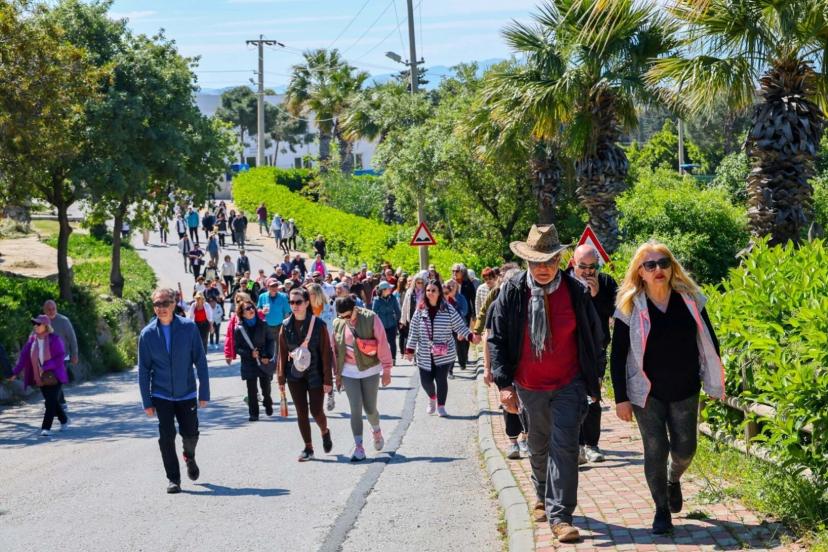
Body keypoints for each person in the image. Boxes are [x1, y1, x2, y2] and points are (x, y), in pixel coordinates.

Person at [487, 224, 604, 544]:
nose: (543, 268)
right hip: (529, 386)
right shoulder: (513, 292)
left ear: (560, 260)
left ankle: (561, 516)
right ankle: (541, 492)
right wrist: (504, 385)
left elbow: (594, 337)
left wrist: (595, 378)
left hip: (569, 383)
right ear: (527, 261)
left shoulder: (576, 292)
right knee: (538, 446)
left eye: (550, 261)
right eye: (536, 262)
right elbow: (497, 339)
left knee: (565, 446)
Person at [611, 240, 723, 535]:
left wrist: (713, 379)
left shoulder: (690, 300)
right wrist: (621, 398)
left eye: (663, 263)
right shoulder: (629, 306)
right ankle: (661, 510)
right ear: (640, 272)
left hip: (685, 387)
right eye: (650, 265)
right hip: (646, 391)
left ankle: (673, 479)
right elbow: (618, 355)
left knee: (686, 448)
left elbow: (710, 341)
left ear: (672, 267)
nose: (658, 269)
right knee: (655, 448)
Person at [138, 288, 210, 494]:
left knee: (191, 434)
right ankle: (173, 479)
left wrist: (204, 392)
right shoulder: (147, 334)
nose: (161, 308)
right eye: (157, 304)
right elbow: (143, 370)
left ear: (174, 304)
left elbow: (200, 361)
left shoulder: (189, 328)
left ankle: (189, 456)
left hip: (187, 392)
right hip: (161, 394)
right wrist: (147, 401)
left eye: (165, 303)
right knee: (166, 436)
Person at [566, 244, 618, 465]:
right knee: (572, 396)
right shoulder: (563, 283)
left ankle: (592, 445)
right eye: (583, 266)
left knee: (593, 396)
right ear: (572, 263)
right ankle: (576, 445)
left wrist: (596, 296)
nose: (588, 271)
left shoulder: (606, 283)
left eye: (592, 267)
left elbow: (617, 312)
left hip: (596, 349)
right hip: (569, 349)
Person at [405, 280, 478, 416]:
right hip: (424, 353)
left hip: (444, 353)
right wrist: (410, 349)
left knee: (441, 380)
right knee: (426, 381)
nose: (430, 293)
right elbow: (413, 331)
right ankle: (432, 397)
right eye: (428, 290)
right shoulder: (420, 310)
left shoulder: (448, 309)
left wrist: (470, 336)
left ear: (439, 292)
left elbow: (459, 325)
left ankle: (441, 406)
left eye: (433, 290)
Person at [476, 265, 527, 460]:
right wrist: (487, 368)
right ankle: (513, 441)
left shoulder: (528, 303)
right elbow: (489, 339)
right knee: (508, 400)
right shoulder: (495, 306)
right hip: (504, 363)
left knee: (526, 401)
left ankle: (526, 438)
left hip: (524, 364)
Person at [277, 288, 334, 462]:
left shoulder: (318, 325)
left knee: (316, 411)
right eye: (291, 302)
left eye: (298, 302)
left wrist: (328, 380)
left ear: (307, 303)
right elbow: (282, 353)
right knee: (301, 412)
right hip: (294, 375)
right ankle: (308, 448)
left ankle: (324, 431)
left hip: (315, 373)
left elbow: (326, 353)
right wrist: (281, 378)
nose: (294, 305)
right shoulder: (285, 325)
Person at [333, 296, 393, 461]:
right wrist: (337, 374)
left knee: (370, 408)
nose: (345, 319)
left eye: (348, 315)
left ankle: (376, 431)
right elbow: (335, 350)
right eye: (341, 316)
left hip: (369, 369)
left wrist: (387, 370)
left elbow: (382, 342)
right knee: (355, 409)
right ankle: (359, 447)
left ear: (355, 309)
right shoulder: (338, 323)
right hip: (348, 372)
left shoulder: (370, 318)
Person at [10, 315, 69, 436]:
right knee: (52, 401)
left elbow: (60, 357)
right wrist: (14, 373)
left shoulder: (54, 339)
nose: (35, 326)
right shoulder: (32, 341)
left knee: (50, 402)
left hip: (55, 376)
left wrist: (46, 367)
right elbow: (23, 359)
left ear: (46, 326)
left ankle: (46, 428)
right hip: (40, 378)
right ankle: (64, 420)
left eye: (38, 324)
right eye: (34, 324)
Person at [234, 298, 276, 421]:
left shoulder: (263, 324)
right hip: (248, 362)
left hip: (263, 360)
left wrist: (267, 356)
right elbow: (237, 348)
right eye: (247, 308)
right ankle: (254, 413)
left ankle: (267, 402)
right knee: (251, 390)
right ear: (242, 313)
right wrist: (249, 353)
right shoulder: (239, 329)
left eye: (252, 307)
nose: (251, 309)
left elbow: (270, 341)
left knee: (266, 388)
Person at [43, 299, 78, 412]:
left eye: (53, 309)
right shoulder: (42, 322)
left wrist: (75, 354)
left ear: (56, 309)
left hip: (63, 357)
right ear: (44, 310)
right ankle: (61, 402)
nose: (51, 311)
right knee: (50, 381)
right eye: (49, 309)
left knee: (57, 380)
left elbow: (72, 339)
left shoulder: (64, 321)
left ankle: (54, 404)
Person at [257, 278, 292, 371]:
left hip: (280, 325)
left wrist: (287, 326)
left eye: (276, 285)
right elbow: (258, 309)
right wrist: (262, 311)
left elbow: (287, 312)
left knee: (280, 346)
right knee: (268, 346)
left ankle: (278, 366)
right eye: (272, 286)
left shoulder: (283, 297)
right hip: (266, 325)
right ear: (267, 287)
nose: (274, 287)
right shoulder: (262, 296)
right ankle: (268, 365)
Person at [451, 263, 476, 372]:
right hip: (452, 314)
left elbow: (473, 299)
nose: (454, 273)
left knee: (465, 337)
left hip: (465, 314)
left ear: (462, 272)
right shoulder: (450, 283)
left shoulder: (467, 284)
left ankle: (464, 358)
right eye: (453, 271)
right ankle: (457, 364)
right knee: (455, 339)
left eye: (457, 271)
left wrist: (474, 314)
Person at [442, 279, 468, 378]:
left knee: (460, 347)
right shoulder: (442, 298)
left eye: (453, 285)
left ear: (457, 287)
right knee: (450, 349)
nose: (451, 287)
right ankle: (449, 371)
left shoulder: (460, 298)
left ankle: (462, 362)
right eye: (449, 286)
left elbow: (464, 311)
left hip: (458, 326)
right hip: (447, 327)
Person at [371, 281, 401, 364]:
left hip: (392, 324)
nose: (391, 289)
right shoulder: (376, 300)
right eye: (389, 288)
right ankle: (382, 359)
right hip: (381, 326)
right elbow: (373, 313)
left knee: (392, 342)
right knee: (381, 343)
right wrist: (374, 325)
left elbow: (398, 311)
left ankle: (393, 359)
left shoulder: (393, 298)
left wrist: (397, 321)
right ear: (383, 290)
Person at [399, 271, 425, 359]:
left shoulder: (426, 292)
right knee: (413, 337)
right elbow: (404, 306)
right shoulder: (409, 292)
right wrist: (403, 320)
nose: (420, 284)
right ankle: (413, 355)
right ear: (415, 282)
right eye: (418, 282)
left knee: (421, 338)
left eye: (422, 282)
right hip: (411, 317)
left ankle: (419, 356)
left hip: (423, 318)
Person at [224, 292, 253, 364]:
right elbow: (229, 336)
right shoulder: (234, 318)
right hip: (244, 351)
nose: (240, 303)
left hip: (257, 349)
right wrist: (228, 354)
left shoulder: (255, 314)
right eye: (238, 301)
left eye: (242, 300)